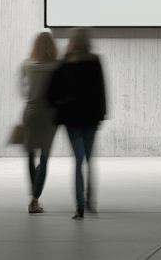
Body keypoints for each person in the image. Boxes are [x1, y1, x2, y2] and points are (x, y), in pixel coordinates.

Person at [47, 27, 107, 219]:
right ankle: (91, 201)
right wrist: (101, 114)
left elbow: (51, 94)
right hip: (90, 119)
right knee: (90, 160)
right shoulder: (95, 61)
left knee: (78, 160)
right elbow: (101, 91)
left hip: (71, 119)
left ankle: (79, 207)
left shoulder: (64, 63)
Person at [22, 32, 60, 213]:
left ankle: (33, 194)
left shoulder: (26, 64)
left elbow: (21, 89)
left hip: (30, 113)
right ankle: (34, 199)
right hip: (50, 116)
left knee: (30, 154)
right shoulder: (57, 66)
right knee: (44, 158)